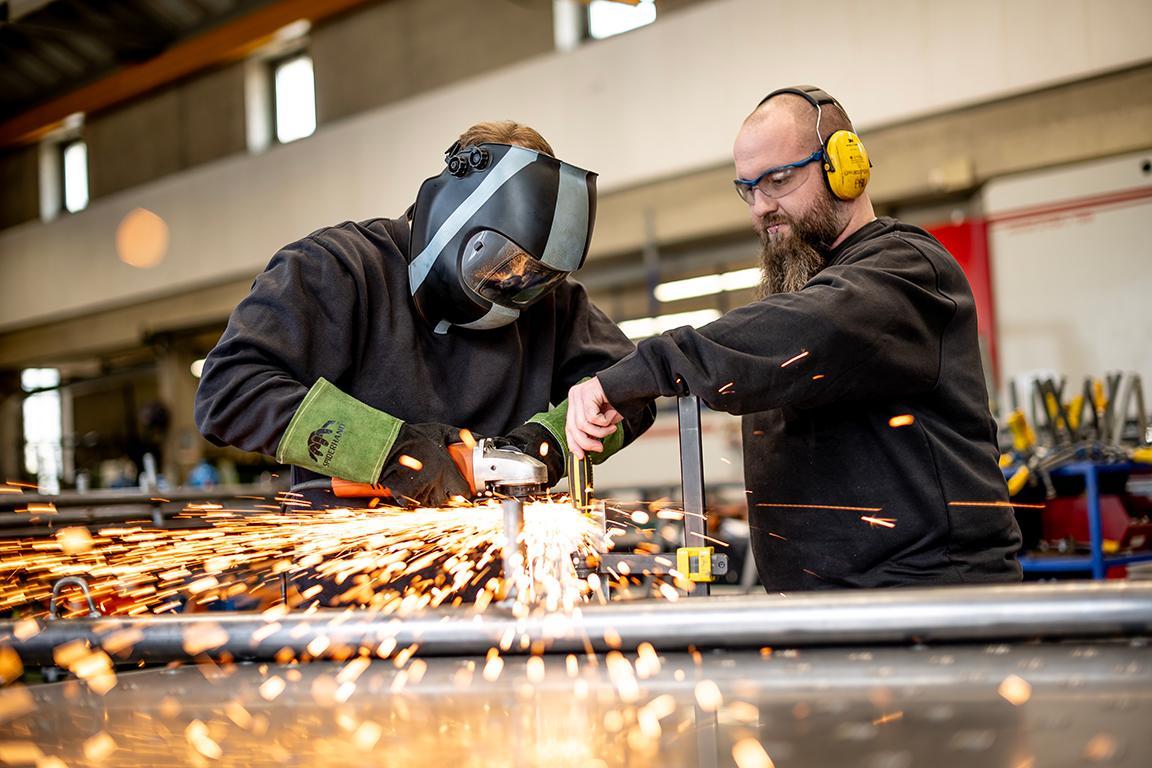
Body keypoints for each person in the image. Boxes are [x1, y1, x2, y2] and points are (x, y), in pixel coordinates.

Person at [566, 86, 1022, 590]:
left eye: (779, 180)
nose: (762, 206)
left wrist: (641, 371)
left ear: (845, 166)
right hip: (834, 617)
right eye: (747, 189)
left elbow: (812, 323)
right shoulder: (801, 297)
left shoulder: (906, 271)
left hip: (929, 611)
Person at [195, 121, 653, 508]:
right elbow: (230, 390)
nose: (514, 285)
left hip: (504, 569)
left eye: (536, 277)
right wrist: (392, 451)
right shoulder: (336, 269)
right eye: (500, 262)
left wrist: (544, 445)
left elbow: (630, 390)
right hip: (350, 589)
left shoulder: (553, 301)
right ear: (449, 218)